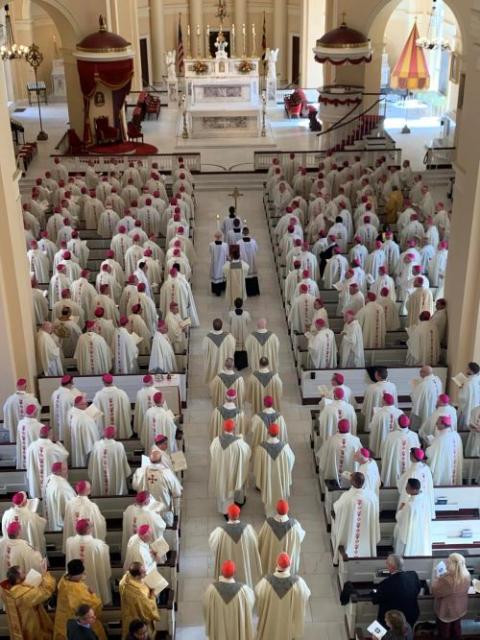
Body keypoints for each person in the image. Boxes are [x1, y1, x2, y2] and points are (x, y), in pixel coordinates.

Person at [255, 552, 311, 640]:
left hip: (269, 622)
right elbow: (306, 594)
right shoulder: (298, 583)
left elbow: (258, 593)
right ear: (290, 564)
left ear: (277, 563)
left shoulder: (266, 582)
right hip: (287, 626)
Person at [208, 503, 262, 588]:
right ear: (238, 514)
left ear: (228, 515)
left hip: (226, 562)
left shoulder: (220, 531)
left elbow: (212, 544)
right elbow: (255, 543)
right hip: (243, 563)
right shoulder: (248, 529)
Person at [331, 472, 380, 561]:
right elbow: (376, 514)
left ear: (352, 482)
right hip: (366, 531)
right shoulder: (372, 497)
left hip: (350, 531)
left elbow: (336, 508)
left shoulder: (347, 497)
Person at [54, 559, 106, 640]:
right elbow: (96, 606)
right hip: (78, 626)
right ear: (79, 574)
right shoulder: (78, 592)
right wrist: (92, 594)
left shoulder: (63, 580)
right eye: (82, 573)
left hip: (62, 621)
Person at [0, 564, 56, 640]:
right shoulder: (25, 595)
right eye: (23, 572)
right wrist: (45, 573)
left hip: (18, 624)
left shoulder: (6, 592)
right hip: (31, 624)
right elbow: (47, 590)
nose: (25, 573)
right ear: (18, 580)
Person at [203, 559, 255, 640]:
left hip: (219, 629)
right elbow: (251, 603)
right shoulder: (243, 590)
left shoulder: (212, 590)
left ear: (222, 572)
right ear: (234, 573)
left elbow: (206, 607)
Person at [209, 419, 251, 516]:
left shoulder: (216, 441)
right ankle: (230, 510)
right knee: (232, 486)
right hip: (233, 471)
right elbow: (247, 452)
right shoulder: (239, 443)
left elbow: (212, 453)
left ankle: (225, 510)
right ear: (234, 428)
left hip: (221, 471)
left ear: (223, 428)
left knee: (222, 487)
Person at [65, 519, 112, 605]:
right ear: (89, 530)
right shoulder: (99, 545)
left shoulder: (69, 542)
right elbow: (105, 568)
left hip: (75, 582)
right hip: (95, 581)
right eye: (91, 526)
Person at [254, 423, 295, 516]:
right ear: (278, 433)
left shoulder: (261, 448)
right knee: (281, 494)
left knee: (269, 494)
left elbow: (257, 465)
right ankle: (282, 510)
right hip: (281, 479)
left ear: (268, 432)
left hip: (267, 479)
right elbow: (291, 460)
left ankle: (269, 513)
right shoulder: (285, 448)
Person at [258, 499, 305, 575]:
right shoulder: (294, 525)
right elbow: (300, 538)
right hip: (287, 563)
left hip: (270, 562)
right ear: (288, 509)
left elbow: (260, 540)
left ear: (276, 509)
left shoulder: (268, 523)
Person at [372, 555, 421, 628]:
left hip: (394, 620)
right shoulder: (413, 575)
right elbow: (418, 590)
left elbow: (375, 599)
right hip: (411, 615)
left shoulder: (386, 583)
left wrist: (374, 591)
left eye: (387, 563)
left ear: (391, 567)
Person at [432, 553, 472, 640]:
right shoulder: (467, 575)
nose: (446, 562)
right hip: (460, 607)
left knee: (444, 631)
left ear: (452, 565)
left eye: (448, 561)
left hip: (447, 609)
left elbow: (435, 592)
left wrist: (437, 577)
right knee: (456, 627)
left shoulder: (447, 580)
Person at [26, 424, 69, 498]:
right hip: (49, 478)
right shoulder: (53, 447)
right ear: (50, 435)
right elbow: (65, 454)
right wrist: (58, 443)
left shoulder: (31, 446)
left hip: (35, 478)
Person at [119, 562, 161, 638]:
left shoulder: (125, 579)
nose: (146, 573)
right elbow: (148, 609)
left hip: (129, 615)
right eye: (143, 572)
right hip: (139, 620)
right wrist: (153, 594)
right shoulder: (138, 594)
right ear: (137, 576)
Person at [121, 491, 166, 560]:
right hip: (146, 547)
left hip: (133, 543)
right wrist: (158, 515)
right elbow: (161, 526)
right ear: (145, 502)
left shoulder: (128, 510)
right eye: (149, 499)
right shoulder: (149, 514)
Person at [87, 426, 131, 496]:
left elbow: (92, 463)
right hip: (116, 480)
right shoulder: (119, 446)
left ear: (104, 434)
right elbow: (124, 463)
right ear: (114, 435)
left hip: (100, 477)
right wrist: (127, 471)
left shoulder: (96, 445)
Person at [63, 481, 107, 548]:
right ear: (88, 491)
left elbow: (67, 523)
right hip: (89, 543)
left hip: (73, 541)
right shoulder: (92, 506)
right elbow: (99, 524)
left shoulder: (69, 504)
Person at [394, 478, 432, 556]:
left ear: (413, 490)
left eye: (407, 487)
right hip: (422, 533)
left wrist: (401, 509)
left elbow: (400, 519)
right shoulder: (425, 498)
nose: (405, 488)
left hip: (411, 536)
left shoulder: (410, 505)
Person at [318, 419, 361, 485]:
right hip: (352, 478)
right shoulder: (356, 441)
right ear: (349, 428)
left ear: (338, 428)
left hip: (333, 478)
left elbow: (323, 456)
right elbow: (361, 459)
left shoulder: (331, 440)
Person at [381, 415, 420, 487]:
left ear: (398, 423)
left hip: (394, 464)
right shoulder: (414, 436)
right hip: (409, 465)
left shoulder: (390, 436)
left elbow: (384, 452)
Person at [397, 448, 435, 519]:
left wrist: (403, 504)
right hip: (424, 503)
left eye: (410, 454)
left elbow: (406, 489)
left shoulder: (413, 472)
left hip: (413, 505)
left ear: (413, 457)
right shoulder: (426, 468)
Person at [92, 373, 132, 439]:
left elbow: (95, 414)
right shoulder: (121, 393)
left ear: (103, 382)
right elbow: (127, 410)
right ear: (112, 381)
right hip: (120, 428)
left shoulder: (98, 395)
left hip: (104, 425)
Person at [426, 415, 463, 485]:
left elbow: (429, 453)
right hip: (452, 466)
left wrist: (429, 444)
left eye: (438, 423)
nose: (436, 424)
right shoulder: (456, 435)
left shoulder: (441, 439)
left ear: (443, 425)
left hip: (443, 469)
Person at [2, 377, 40, 442]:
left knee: (19, 445)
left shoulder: (10, 400)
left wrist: (10, 424)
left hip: (15, 430)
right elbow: (37, 412)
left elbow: (5, 410)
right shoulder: (32, 400)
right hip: (29, 429)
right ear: (26, 387)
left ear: (17, 387)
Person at [44, 462, 76, 531]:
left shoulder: (49, 478)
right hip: (62, 524)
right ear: (58, 472)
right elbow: (67, 507)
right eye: (64, 469)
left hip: (53, 517)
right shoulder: (61, 488)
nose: (67, 472)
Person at [203, 318, 236, 384]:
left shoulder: (207, 338)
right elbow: (233, 346)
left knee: (213, 378)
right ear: (222, 325)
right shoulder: (228, 336)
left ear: (213, 326)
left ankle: (214, 388)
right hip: (224, 363)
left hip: (213, 363)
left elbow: (204, 350)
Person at [227, 298, 251, 370]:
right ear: (242, 304)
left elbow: (229, 321)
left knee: (236, 349)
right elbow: (249, 322)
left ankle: (236, 363)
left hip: (234, 334)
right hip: (243, 335)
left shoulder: (231, 314)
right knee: (243, 350)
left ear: (234, 304)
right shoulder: (246, 314)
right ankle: (244, 363)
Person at [458, 361, 480, 427]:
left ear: (471, 371)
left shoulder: (468, 383)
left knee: (466, 422)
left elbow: (463, 398)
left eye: (467, 368)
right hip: (476, 405)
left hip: (468, 407)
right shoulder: (477, 379)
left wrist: (461, 388)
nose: (466, 369)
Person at [209, 230, 229, 295]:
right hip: (222, 263)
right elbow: (227, 254)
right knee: (221, 275)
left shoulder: (211, 245)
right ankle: (222, 288)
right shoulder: (225, 245)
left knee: (215, 275)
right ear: (221, 237)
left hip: (214, 263)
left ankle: (215, 290)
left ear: (215, 236)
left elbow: (210, 252)